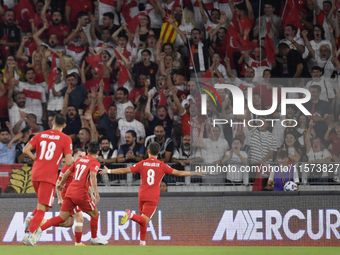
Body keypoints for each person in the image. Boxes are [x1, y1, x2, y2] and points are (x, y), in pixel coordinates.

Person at [99, 142, 205, 246]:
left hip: (142, 194)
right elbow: (179, 172)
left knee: (143, 219)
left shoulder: (142, 163)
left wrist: (109, 171)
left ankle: (142, 242)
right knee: (144, 220)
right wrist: (194, 172)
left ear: (148, 151)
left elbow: (125, 170)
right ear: (158, 153)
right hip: (153, 196)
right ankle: (130, 215)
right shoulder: (162, 165)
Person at [30, 141, 107, 246]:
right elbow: (93, 176)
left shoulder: (79, 161)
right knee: (95, 215)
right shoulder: (95, 162)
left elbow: (67, 173)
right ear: (98, 152)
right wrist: (96, 193)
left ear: (88, 151)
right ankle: (93, 239)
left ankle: (39, 229)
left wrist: (60, 184)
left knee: (62, 218)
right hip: (81, 194)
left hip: (70, 193)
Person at [22, 114, 73, 246]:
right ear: (65, 125)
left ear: (53, 122)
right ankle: (29, 234)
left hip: (35, 173)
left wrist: (36, 160)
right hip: (48, 176)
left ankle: (31, 218)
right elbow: (68, 162)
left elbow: (25, 150)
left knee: (41, 204)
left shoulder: (40, 135)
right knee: (43, 208)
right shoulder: (66, 138)